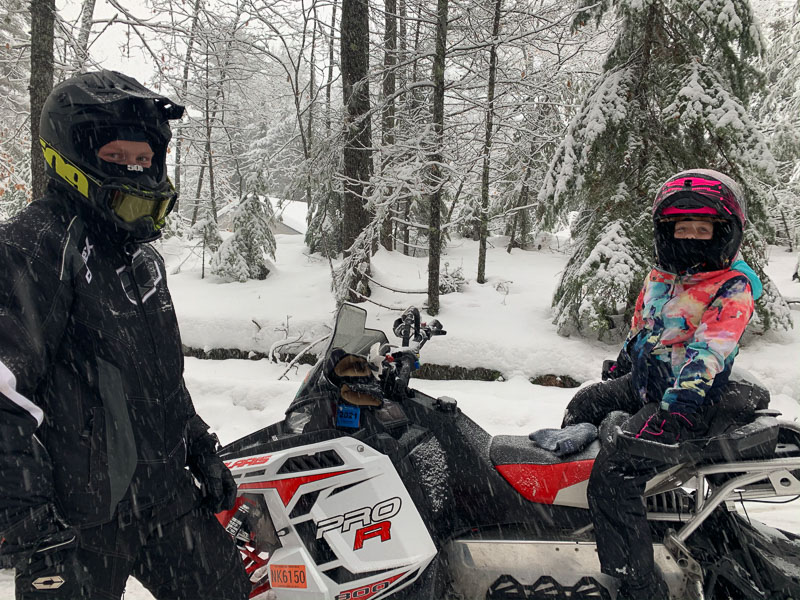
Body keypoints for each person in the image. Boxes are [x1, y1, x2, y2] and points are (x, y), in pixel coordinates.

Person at [0, 71, 249, 600]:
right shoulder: (36, 246)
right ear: (74, 156)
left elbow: (161, 379)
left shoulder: (142, 259)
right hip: (73, 522)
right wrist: (24, 520)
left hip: (163, 499)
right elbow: (3, 392)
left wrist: (199, 446)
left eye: (143, 160)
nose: (135, 172)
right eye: (117, 160)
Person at [562, 169, 763, 600]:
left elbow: (709, 351)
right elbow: (644, 327)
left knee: (617, 472)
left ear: (723, 232)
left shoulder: (732, 286)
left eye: (702, 228)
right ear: (666, 231)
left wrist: (676, 411)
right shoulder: (661, 275)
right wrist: (623, 365)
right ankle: (570, 512)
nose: (690, 236)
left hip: (692, 396)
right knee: (584, 405)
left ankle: (640, 583)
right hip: (647, 382)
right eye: (681, 227)